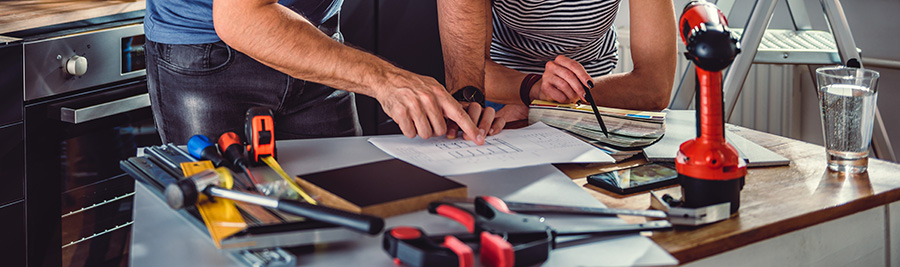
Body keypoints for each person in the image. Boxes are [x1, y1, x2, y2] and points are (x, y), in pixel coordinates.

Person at [144, 0, 498, 145]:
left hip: (319, 44)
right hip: (208, 51)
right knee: (232, 230)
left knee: (342, 222)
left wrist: (465, 94)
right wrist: (385, 79)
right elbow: (242, 18)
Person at [481, 0, 677, 121]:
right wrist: (532, 92)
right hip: (503, 93)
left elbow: (655, 87)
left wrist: (550, 99)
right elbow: (467, 68)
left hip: (594, 98)